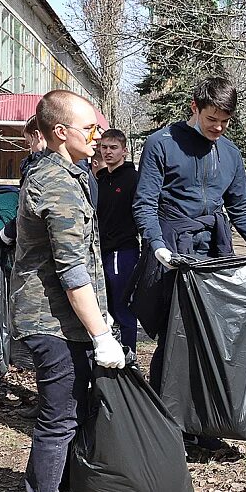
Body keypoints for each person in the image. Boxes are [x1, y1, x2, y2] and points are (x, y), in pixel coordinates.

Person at [133, 76, 246, 450]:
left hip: (214, 254)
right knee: (173, 340)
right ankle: (168, 428)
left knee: (212, 338)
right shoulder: (161, 144)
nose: (218, 127)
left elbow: (240, 208)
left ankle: (205, 422)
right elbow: (144, 204)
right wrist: (156, 245)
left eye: (225, 120)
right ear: (194, 108)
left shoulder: (230, 153)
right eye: (212, 118)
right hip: (173, 251)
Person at [11, 89, 125, 492]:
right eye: (90, 129)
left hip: (60, 318)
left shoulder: (63, 174)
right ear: (61, 133)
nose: (97, 136)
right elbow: (72, 271)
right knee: (59, 418)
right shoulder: (58, 183)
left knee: (70, 412)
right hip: (53, 320)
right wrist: (102, 334)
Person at [96, 128, 141, 351]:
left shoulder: (133, 179)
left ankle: (130, 358)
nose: (108, 152)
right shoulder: (100, 180)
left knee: (123, 308)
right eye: (104, 147)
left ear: (124, 150)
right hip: (100, 252)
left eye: (113, 147)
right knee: (106, 308)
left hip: (123, 252)